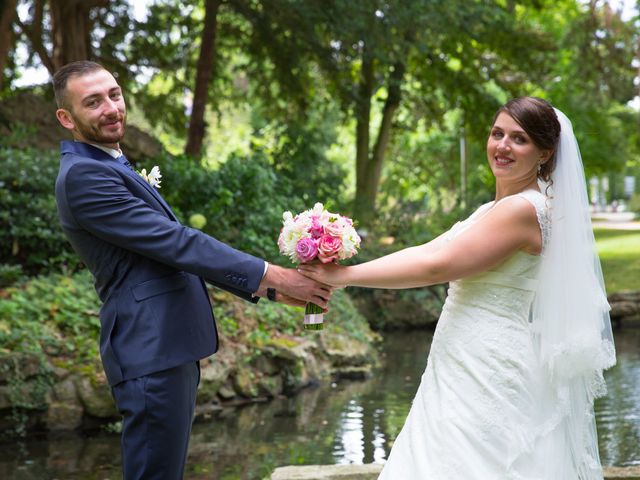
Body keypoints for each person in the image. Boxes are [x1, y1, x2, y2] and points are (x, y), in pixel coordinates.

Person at [299, 97, 616, 479]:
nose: (502, 146)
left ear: (545, 153)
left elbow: (438, 265)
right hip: (459, 355)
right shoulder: (493, 209)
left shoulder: (523, 210)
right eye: (497, 133)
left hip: (486, 363)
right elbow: (428, 249)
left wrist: (344, 278)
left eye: (519, 139)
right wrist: (349, 268)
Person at [52, 60, 332, 480]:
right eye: (93, 102)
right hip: (149, 348)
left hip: (164, 346)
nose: (111, 108)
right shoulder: (85, 176)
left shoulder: (109, 164)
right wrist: (272, 275)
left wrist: (271, 293)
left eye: (114, 94)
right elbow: (178, 243)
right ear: (66, 118)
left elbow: (168, 254)